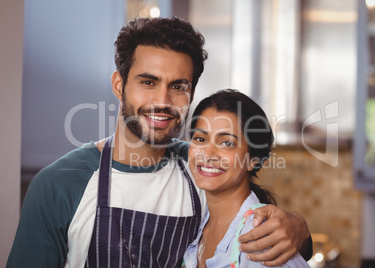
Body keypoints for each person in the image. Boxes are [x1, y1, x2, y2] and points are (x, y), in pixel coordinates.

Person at [7, 17, 311, 268]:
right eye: (148, 82)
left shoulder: (201, 168)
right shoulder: (60, 185)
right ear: (119, 85)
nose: (163, 101)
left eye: (178, 86)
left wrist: (298, 229)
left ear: (190, 94)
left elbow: (259, 232)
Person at [182, 89, 310, 268]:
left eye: (227, 143)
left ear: (253, 160)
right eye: (200, 139)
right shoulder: (200, 221)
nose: (208, 154)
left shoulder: (261, 241)